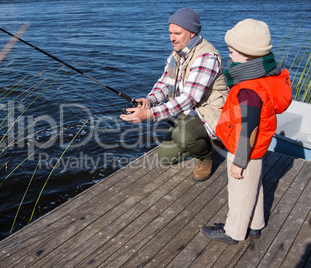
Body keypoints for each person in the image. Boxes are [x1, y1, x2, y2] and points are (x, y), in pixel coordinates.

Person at [201, 19, 292, 243]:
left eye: (232, 51)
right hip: (257, 149)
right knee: (254, 185)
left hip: (245, 150)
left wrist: (239, 162)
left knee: (240, 192)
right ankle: (255, 225)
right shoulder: (266, 76)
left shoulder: (249, 90)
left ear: (247, 55)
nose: (229, 55)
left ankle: (234, 231)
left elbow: (247, 130)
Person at [120, 7, 228, 181]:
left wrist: (149, 114)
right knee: (165, 157)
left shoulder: (206, 57)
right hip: (189, 113)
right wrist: (149, 100)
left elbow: (188, 98)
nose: (172, 38)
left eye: (177, 33)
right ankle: (203, 140)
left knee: (182, 136)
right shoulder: (177, 54)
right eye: (170, 33)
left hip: (211, 113)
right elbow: (164, 82)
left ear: (192, 32)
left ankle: (206, 156)